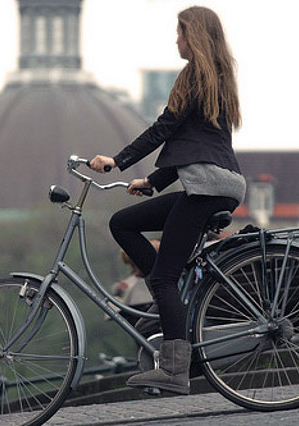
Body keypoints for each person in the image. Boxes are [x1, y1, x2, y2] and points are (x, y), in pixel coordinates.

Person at [90, 6, 245, 395]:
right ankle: (169, 305)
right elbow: (194, 144)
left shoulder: (194, 76)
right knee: (122, 223)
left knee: (161, 277)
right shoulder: (217, 79)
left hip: (205, 188)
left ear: (192, 35)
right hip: (218, 183)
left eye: (179, 33)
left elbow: (165, 127)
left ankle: (174, 369)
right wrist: (154, 181)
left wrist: (117, 161)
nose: (175, 40)